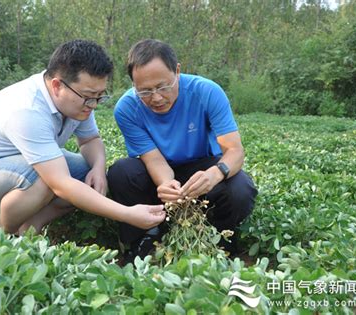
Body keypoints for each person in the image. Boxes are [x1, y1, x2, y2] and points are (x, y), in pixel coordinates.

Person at [0, 39, 166, 235]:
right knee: (46, 179)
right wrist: (127, 214)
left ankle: (30, 226)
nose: (94, 104)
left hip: (14, 167)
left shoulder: (79, 101)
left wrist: (98, 168)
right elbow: (61, 185)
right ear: (58, 85)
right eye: (89, 96)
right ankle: (3, 235)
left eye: (99, 96)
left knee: (84, 171)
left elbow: (90, 140)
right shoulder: (27, 109)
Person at [107, 39, 258, 262]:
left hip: (202, 167)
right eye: (145, 91)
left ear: (177, 71)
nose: (156, 98)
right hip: (158, 173)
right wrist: (166, 184)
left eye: (163, 86)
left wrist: (213, 175)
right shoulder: (127, 108)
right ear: (133, 84)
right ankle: (145, 238)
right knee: (121, 172)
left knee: (240, 188)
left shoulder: (207, 92)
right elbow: (153, 159)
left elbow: (235, 151)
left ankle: (221, 239)